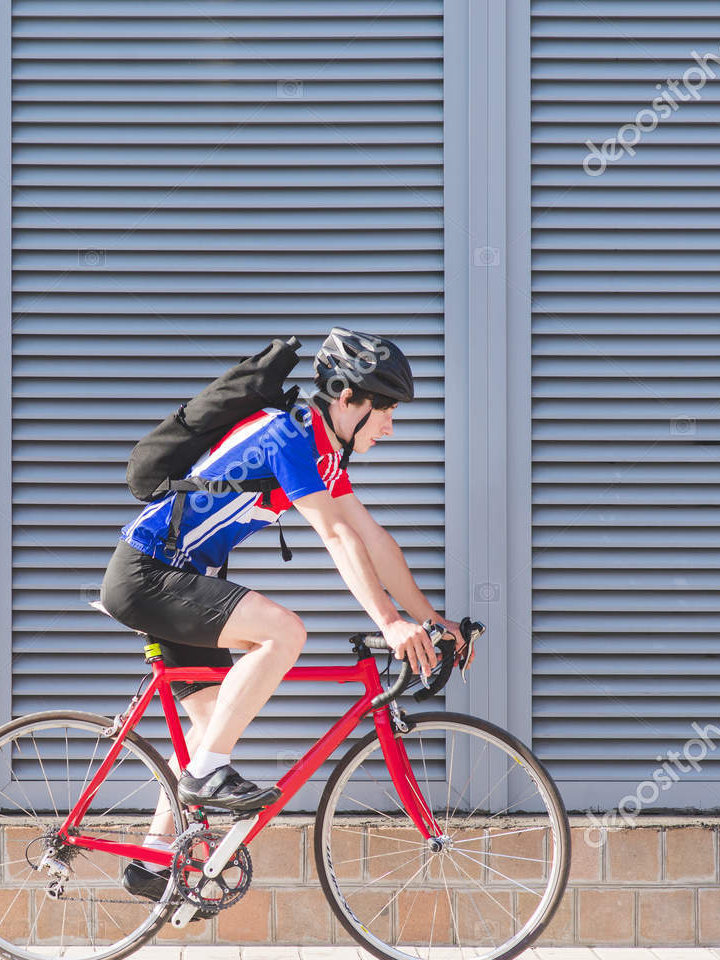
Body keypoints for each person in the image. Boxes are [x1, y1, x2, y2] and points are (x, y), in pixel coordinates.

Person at [97, 327, 467, 902]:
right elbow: (338, 535)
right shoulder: (288, 435)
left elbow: (373, 538)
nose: (391, 426)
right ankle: (203, 778)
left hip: (178, 575)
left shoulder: (319, 448)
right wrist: (389, 624)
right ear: (347, 398)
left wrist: (427, 616)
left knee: (213, 722)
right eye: (386, 410)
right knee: (283, 632)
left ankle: (154, 858)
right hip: (148, 575)